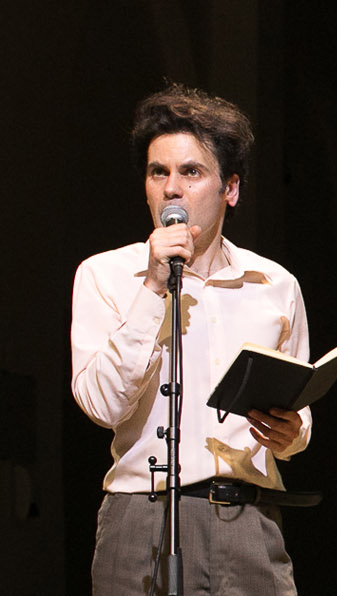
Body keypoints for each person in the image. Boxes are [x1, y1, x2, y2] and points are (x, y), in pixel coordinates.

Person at [71, 83, 312, 595]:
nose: (172, 189)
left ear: (231, 189)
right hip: (140, 512)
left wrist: (292, 433)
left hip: (245, 519)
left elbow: (298, 412)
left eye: (191, 172)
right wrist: (154, 286)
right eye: (158, 172)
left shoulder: (274, 285)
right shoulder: (105, 275)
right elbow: (102, 405)